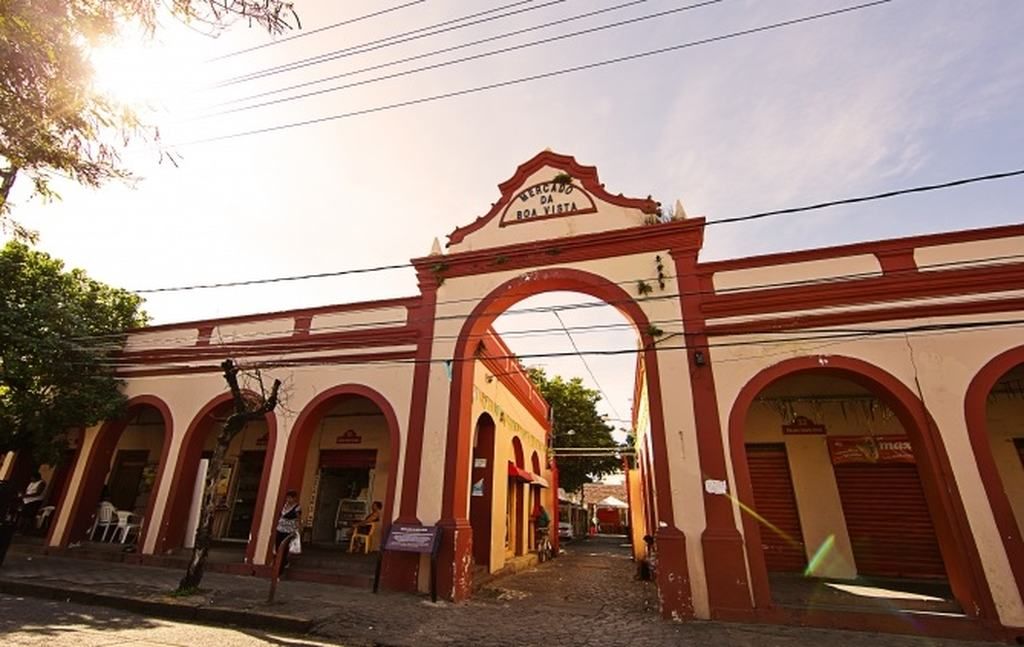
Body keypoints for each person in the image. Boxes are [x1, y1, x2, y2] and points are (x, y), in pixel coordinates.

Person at [275, 489, 301, 569]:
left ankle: (282, 564)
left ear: (294, 498)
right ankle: (279, 561)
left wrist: (297, 529)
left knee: (285, 547)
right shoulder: (285, 506)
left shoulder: (297, 508)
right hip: (280, 528)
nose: (288, 500)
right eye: (287, 498)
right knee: (278, 545)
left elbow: (298, 519)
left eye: (290, 498)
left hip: (289, 530)